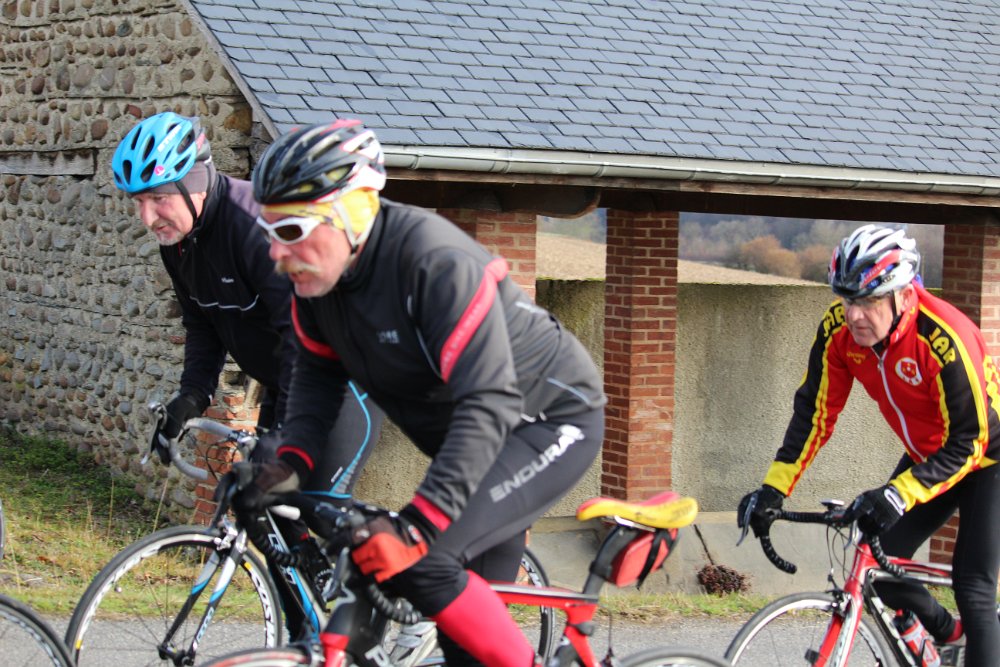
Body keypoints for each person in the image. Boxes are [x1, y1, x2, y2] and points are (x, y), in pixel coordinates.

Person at [236, 119, 606, 667]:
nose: (274, 252)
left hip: (545, 423)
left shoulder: (433, 264)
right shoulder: (318, 283)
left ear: (352, 214)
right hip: (474, 440)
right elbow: (315, 381)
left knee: (421, 560)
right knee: (450, 632)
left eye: (290, 230)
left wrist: (417, 526)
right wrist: (287, 464)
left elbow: (489, 404)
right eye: (266, 231)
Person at [111, 111, 383, 636]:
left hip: (341, 382)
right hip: (289, 385)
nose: (147, 217)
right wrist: (190, 398)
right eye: (137, 202)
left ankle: (409, 591)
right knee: (265, 516)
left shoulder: (254, 226)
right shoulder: (180, 244)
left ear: (194, 183)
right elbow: (202, 324)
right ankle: (305, 640)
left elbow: (302, 339)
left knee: (316, 507)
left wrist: (287, 436)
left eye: (158, 198)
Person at [738, 224, 1000, 666]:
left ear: (904, 296)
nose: (855, 315)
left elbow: (970, 439)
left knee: (973, 585)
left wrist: (898, 493)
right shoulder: (838, 330)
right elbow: (815, 414)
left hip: (987, 456)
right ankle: (945, 634)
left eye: (870, 301)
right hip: (928, 454)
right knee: (876, 562)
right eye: (847, 300)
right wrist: (773, 489)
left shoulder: (944, 339)